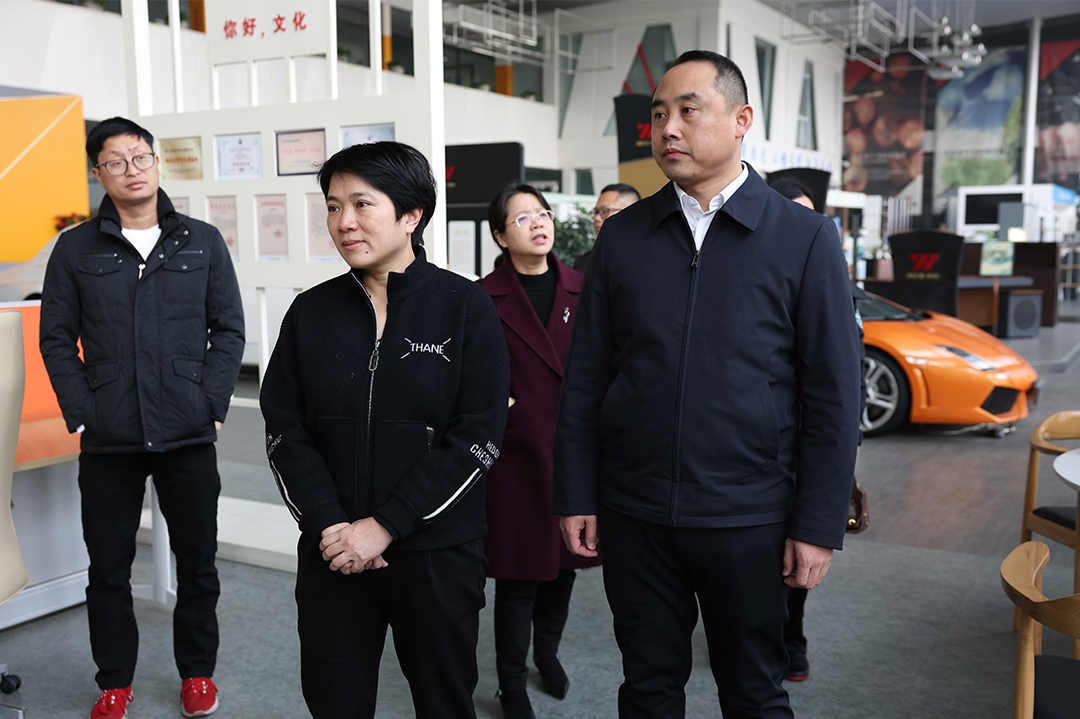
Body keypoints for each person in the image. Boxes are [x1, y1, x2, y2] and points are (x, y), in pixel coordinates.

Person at [553, 50, 862, 719]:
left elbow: (835, 396)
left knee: (753, 690)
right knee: (647, 688)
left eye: (688, 110)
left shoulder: (804, 237)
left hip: (748, 514)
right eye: (659, 113)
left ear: (741, 119)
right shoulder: (623, 237)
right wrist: (576, 492)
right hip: (634, 510)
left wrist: (818, 523)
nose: (668, 128)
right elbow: (586, 378)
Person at [259, 141, 510, 719]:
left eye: (362, 204)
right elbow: (284, 429)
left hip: (436, 550)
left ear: (411, 215)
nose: (343, 222)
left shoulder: (465, 306)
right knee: (335, 703)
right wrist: (331, 526)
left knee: (444, 703)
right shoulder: (311, 312)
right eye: (332, 206)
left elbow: (478, 435)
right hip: (333, 550)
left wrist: (386, 526)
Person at [40, 116, 244, 719]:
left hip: (187, 433)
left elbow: (229, 329)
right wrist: (82, 411)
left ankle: (198, 674)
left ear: (156, 163)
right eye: (115, 161)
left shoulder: (202, 240)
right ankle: (114, 681)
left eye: (140, 157)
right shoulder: (75, 248)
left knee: (198, 564)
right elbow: (57, 338)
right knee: (108, 568)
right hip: (109, 437)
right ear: (97, 173)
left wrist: (209, 403)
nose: (131, 170)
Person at [477, 183, 602, 719]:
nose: (538, 223)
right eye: (522, 217)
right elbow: (465, 374)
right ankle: (511, 683)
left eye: (543, 212)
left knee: (564, 565)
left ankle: (547, 654)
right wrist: (492, 403)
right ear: (501, 236)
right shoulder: (482, 297)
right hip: (516, 458)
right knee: (518, 575)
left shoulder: (584, 288)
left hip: (573, 451)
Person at [768, 175, 867, 683]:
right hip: (772, 447)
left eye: (814, 215)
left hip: (818, 444)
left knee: (801, 544)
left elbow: (845, 380)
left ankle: (792, 639)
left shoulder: (837, 285)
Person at [573, 183, 640, 275]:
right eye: (596, 212)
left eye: (604, 211)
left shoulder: (649, 256)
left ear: (630, 213)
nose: (596, 218)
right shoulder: (585, 262)